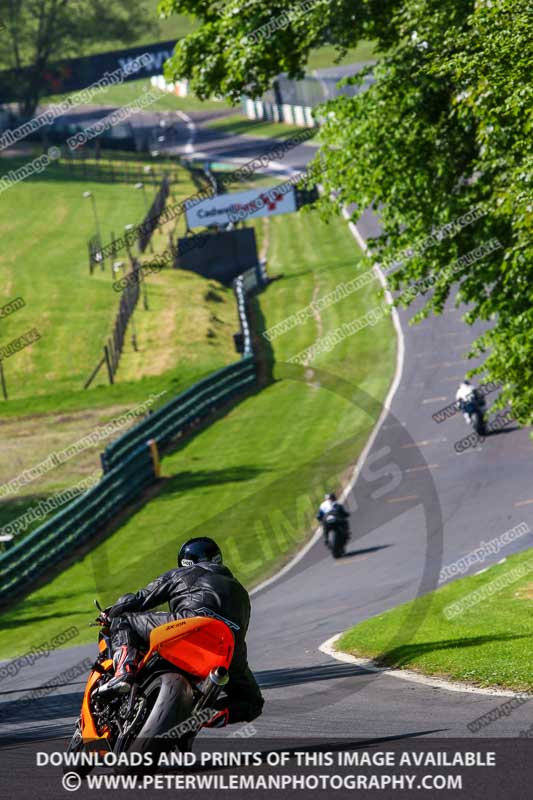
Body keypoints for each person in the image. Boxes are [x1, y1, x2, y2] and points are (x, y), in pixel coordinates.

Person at [97, 537, 264, 725]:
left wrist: (111, 612)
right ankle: (205, 715)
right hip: (227, 648)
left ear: (186, 562)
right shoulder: (241, 592)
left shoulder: (182, 573)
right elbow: (242, 631)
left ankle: (124, 672)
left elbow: (138, 600)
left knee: (124, 620)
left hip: (188, 626)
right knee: (253, 702)